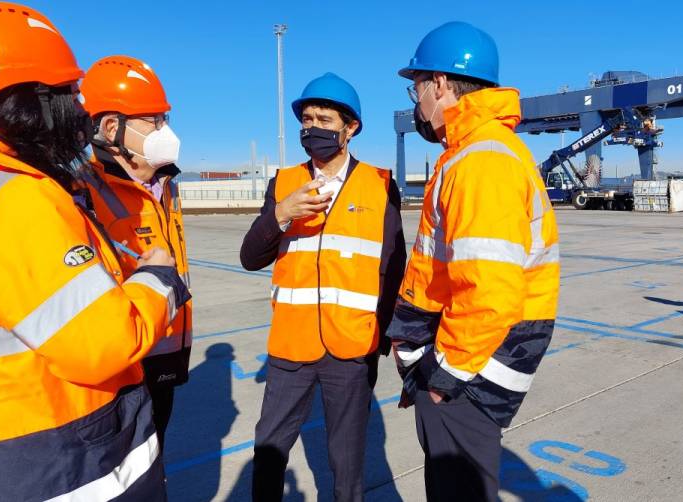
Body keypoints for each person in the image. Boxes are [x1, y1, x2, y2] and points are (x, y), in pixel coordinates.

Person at [0, 3, 188, 500]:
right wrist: (158, 279)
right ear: (33, 100)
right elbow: (102, 343)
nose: (76, 108)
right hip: (59, 456)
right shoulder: (17, 201)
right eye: (67, 93)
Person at [387, 21, 561, 501]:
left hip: (467, 373)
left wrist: (442, 379)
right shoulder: (473, 151)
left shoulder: (482, 160)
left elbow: (489, 293)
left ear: (440, 84)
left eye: (417, 86)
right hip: (465, 365)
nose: (416, 100)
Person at [240, 72, 406, 501]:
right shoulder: (284, 182)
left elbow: (394, 267)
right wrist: (280, 214)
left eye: (324, 119)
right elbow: (250, 258)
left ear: (350, 129)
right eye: (307, 119)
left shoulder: (382, 185)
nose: (312, 127)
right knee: (269, 450)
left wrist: (381, 337)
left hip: (351, 349)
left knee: (347, 460)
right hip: (290, 346)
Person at [81, 55, 191, 451]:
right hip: (121, 369)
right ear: (112, 127)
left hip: (167, 353)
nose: (166, 131)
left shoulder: (165, 183)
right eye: (155, 121)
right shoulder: (81, 191)